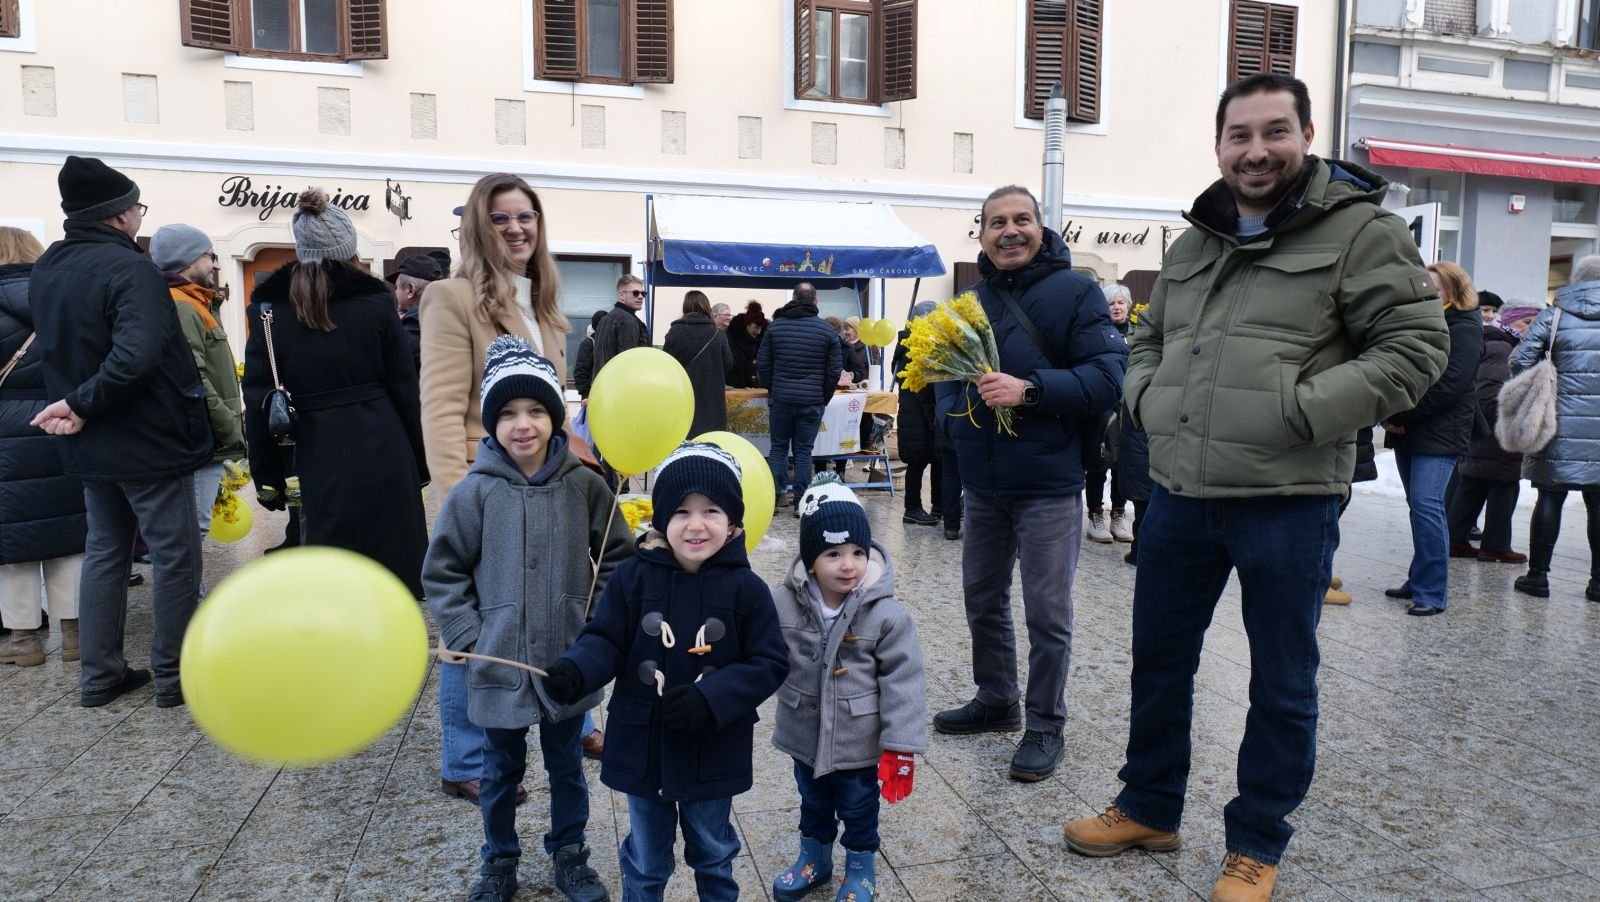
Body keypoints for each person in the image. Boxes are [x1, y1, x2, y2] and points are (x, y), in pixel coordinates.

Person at [1062, 74, 1448, 901]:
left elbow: (1415, 349)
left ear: (1307, 135)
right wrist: (1148, 401)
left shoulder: (1361, 231)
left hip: (1288, 499)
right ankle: (1150, 806)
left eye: (1276, 132)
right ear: (1219, 146)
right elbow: (1148, 338)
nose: (1257, 150)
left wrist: (1299, 412)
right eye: (1240, 135)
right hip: (1180, 493)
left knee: (1281, 679)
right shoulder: (1196, 239)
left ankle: (1257, 841)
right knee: (1159, 664)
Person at [929, 184, 1125, 784]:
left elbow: (1108, 378)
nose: (1009, 231)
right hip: (984, 485)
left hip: (1048, 484)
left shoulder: (1076, 292)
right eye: (996, 223)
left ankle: (1045, 722)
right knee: (982, 602)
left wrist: (1031, 390)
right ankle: (997, 699)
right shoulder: (969, 300)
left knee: (1047, 612)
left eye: (1021, 220)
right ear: (981, 234)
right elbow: (941, 374)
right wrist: (953, 419)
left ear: (1042, 228)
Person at [425, 336, 630, 902]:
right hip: (499, 662)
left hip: (567, 660)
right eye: (509, 413)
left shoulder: (584, 486)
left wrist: (596, 627)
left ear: (554, 417)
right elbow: (443, 571)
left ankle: (569, 853)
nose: (524, 424)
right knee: (500, 768)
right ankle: (499, 858)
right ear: (492, 423)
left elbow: (617, 557)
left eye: (537, 410)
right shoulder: (474, 494)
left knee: (567, 764)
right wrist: (468, 632)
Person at [542, 442, 788, 901]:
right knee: (646, 859)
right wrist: (577, 669)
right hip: (643, 747)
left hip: (713, 748)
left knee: (713, 852)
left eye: (711, 510)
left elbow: (769, 662)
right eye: (680, 512)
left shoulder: (747, 590)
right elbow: (605, 638)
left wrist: (712, 697)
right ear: (660, 521)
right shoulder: (634, 578)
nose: (696, 525)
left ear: (734, 521)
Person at [30, 156, 213, 708]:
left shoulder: (50, 267)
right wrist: (83, 402)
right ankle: (173, 675)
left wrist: (80, 406)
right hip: (147, 437)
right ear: (118, 216)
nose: (139, 215)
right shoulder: (130, 268)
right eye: (137, 206)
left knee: (105, 550)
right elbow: (138, 354)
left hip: (89, 436)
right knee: (175, 553)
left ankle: (99, 675)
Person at [419, 173, 574, 803]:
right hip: (483, 492)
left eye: (526, 216)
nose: (516, 229)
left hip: (549, 488)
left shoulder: (545, 305)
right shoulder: (451, 297)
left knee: (557, 605)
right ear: (478, 227)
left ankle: (575, 714)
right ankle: (465, 759)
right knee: (472, 630)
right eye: (501, 218)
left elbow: (554, 405)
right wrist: (461, 506)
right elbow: (441, 411)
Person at [242, 189, 429, 600]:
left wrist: (267, 475)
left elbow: (258, 399)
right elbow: (404, 387)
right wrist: (419, 459)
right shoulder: (377, 303)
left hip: (314, 448)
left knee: (330, 570)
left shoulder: (269, 311)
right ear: (348, 250)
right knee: (391, 563)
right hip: (382, 439)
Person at [769, 474, 925, 902]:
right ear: (811, 559)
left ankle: (860, 866)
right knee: (812, 799)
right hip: (805, 730)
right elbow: (761, 655)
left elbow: (904, 680)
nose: (848, 564)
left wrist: (900, 746)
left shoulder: (886, 614)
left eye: (858, 552)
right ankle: (814, 858)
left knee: (858, 806)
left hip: (859, 737)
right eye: (833, 554)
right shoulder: (784, 603)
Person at [0, 227, 84, 668]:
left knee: (11, 542)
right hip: (58, 422)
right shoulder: (56, 301)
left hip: (3, 435)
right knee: (67, 533)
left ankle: (23, 641)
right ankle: (74, 636)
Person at [1380, 261, 1483, 616]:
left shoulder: (1464, 326)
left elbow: (1452, 385)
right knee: (1419, 508)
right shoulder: (1422, 322)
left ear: (1453, 292)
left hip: (1439, 431)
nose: (1426, 294)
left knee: (1427, 506)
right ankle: (1419, 578)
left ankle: (1432, 591)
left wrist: (1400, 415)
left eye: (1434, 289)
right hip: (1411, 428)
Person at [148, 224, 244, 554]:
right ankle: (188, 603)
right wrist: (227, 424)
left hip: (205, 433)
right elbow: (194, 377)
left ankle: (189, 598)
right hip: (202, 437)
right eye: (210, 256)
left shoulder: (195, 302)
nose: (216, 265)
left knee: (190, 529)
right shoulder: (183, 305)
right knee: (192, 530)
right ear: (187, 260)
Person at [1512, 255, 1600, 603]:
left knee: (1550, 495)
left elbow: (1520, 360)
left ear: (1576, 281)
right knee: (1598, 502)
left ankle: (1538, 578)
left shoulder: (1555, 315)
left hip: (1557, 423)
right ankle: (1597, 584)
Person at [1448, 304, 1537, 565]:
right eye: (1527, 322)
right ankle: (1496, 545)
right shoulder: (1504, 348)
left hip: (1485, 432)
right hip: (1499, 432)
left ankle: (1454, 538)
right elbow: (1490, 395)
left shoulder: (1497, 343)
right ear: (1511, 321)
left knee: (1474, 482)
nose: (1531, 329)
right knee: (1504, 484)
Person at [759, 284, 843, 509]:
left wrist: (773, 389)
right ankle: (801, 502)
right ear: (815, 300)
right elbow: (834, 371)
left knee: (778, 449)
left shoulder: (775, 328)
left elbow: (763, 366)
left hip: (782, 400)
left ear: (793, 298)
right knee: (804, 451)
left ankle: (775, 499)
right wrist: (822, 396)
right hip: (812, 400)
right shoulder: (827, 331)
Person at [1085, 283, 1136, 544]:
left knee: (1122, 463)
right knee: (1099, 461)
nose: (1116, 308)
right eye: (1111, 304)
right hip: (1103, 408)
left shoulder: (1139, 335)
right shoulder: (1097, 333)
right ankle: (1095, 515)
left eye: (1120, 303)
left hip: (1130, 408)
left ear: (1128, 306)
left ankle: (1118, 513)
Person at [893, 302, 942, 526]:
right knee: (918, 461)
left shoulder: (915, 343)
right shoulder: (914, 347)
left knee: (937, 458)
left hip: (920, 411)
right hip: (918, 413)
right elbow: (923, 385)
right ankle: (912, 508)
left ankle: (939, 504)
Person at [663, 290, 734, 438]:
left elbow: (666, 365)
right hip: (712, 401)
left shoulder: (675, 332)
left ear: (685, 307)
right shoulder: (718, 334)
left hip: (682, 398)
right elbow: (728, 365)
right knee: (710, 444)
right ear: (707, 307)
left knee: (683, 443)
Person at [388, 253, 443, 374]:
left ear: (410, 290)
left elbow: (395, 358)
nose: (395, 293)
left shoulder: (417, 319)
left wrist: (394, 326)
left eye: (397, 287)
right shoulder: (442, 313)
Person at [592, 274, 648, 377]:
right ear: (621, 295)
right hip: (620, 386)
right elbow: (628, 362)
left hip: (602, 384)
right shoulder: (628, 321)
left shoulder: (606, 319)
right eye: (635, 293)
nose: (640, 296)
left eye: (643, 293)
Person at [726, 300, 767, 389]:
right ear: (747, 324)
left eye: (760, 328)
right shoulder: (733, 334)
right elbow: (736, 360)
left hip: (756, 384)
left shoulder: (763, 336)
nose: (758, 332)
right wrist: (754, 366)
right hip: (736, 384)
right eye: (756, 327)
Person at [572, 309, 608, 402]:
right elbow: (581, 370)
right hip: (591, 395)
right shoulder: (589, 343)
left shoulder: (610, 342)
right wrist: (585, 394)